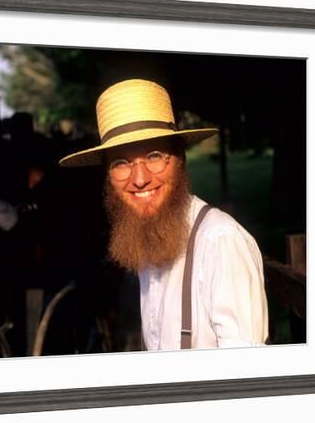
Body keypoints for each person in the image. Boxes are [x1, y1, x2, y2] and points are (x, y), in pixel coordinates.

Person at [59, 78, 268, 350]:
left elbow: (246, 377)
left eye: (155, 156)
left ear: (180, 159)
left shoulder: (220, 242)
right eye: (122, 163)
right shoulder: (147, 233)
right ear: (108, 175)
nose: (140, 179)